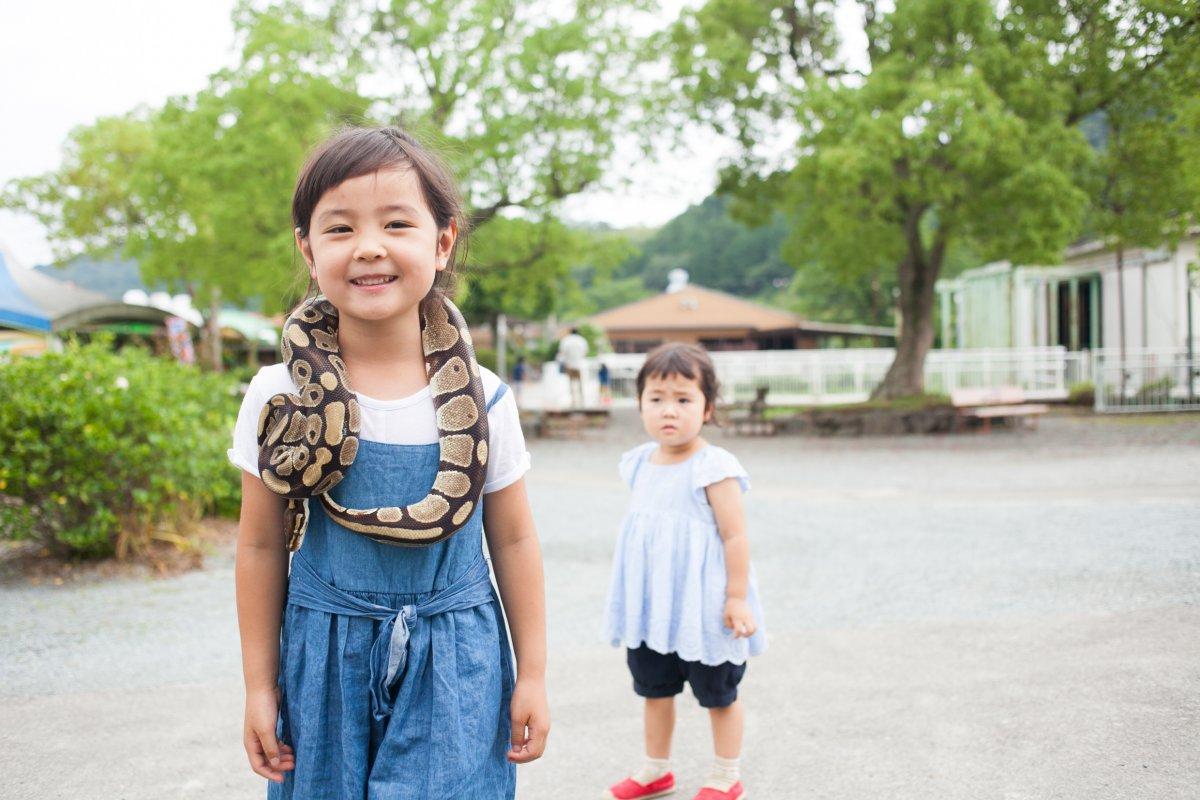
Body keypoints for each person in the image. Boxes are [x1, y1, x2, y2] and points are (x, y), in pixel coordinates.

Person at [228, 126, 548, 800]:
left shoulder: (486, 396)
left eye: (396, 223)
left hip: (456, 655)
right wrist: (259, 685)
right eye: (340, 228)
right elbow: (259, 545)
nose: (369, 246)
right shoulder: (278, 394)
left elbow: (514, 538)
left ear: (442, 240)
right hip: (324, 659)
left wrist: (535, 674)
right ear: (307, 250)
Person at [603, 343, 767, 800]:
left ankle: (725, 774)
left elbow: (735, 536)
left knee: (719, 693)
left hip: (704, 605)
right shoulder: (639, 462)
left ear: (708, 407)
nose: (668, 411)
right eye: (656, 399)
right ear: (639, 404)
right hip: (654, 607)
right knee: (654, 689)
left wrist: (736, 598)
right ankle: (657, 769)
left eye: (683, 399)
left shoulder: (714, 467)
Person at [557, 327, 588, 407]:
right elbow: (585, 353)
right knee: (581, 384)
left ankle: (573, 401)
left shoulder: (566, 340)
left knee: (571, 384)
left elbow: (562, 352)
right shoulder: (582, 340)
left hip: (569, 365)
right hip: (580, 365)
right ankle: (582, 401)